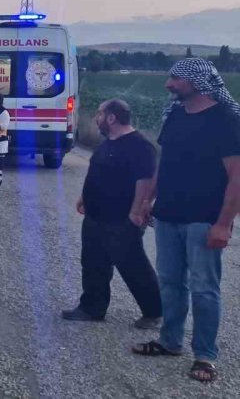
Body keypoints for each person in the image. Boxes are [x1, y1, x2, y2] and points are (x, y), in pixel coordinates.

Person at [131, 58, 240, 384]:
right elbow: (163, 164)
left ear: (197, 81)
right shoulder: (175, 115)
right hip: (168, 215)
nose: (168, 84)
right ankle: (170, 342)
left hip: (204, 218)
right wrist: (148, 199)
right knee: (170, 282)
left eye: (176, 78)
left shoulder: (225, 120)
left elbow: (236, 175)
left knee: (205, 289)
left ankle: (205, 356)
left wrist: (224, 222)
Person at [61, 99, 162, 328]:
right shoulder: (108, 143)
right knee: (93, 263)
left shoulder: (139, 146)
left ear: (111, 118)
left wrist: (137, 211)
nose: (96, 118)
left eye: (99, 114)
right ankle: (92, 308)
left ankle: (154, 311)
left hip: (121, 218)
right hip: (96, 216)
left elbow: (145, 181)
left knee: (133, 266)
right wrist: (84, 198)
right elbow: (96, 171)